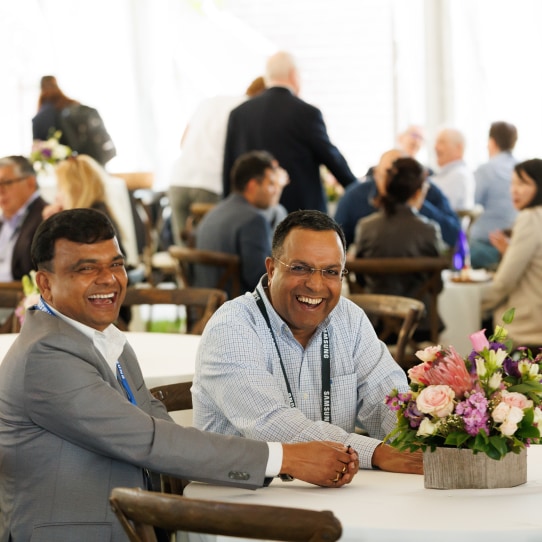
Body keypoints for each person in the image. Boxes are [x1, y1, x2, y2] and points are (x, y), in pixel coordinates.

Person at [0, 208, 359, 542]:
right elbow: (149, 439)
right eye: (86, 268)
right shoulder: (46, 355)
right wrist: (286, 458)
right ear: (45, 285)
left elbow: (161, 427)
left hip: (130, 526)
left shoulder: (106, 340)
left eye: (116, 263)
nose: (108, 279)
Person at [192, 209, 423, 475]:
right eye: (300, 268)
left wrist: (415, 436)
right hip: (239, 499)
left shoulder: (349, 319)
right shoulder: (233, 326)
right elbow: (270, 423)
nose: (315, 284)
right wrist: (378, 453)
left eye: (330, 271)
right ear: (271, 269)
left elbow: (388, 399)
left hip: (336, 491)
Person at [223, 51, 357, 213]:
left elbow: (230, 166)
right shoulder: (307, 113)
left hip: (251, 209)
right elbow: (331, 157)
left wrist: (227, 207)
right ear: (294, 75)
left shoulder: (239, 113)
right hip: (300, 213)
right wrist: (357, 190)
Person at [168, 76, 266, 246]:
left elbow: (183, 141)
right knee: (210, 250)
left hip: (178, 180)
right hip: (210, 184)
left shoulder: (209, 102)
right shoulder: (247, 112)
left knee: (184, 253)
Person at [353, 157, 444, 340]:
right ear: (418, 192)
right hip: (419, 325)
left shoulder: (365, 227)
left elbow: (359, 280)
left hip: (374, 325)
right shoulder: (428, 230)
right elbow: (437, 286)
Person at [195, 150, 286, 297]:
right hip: (237, 312)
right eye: (270, 184)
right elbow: (261, 279)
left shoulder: (212, 214)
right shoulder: (254, 220)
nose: (275, 190)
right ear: (252, 186)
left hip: (205, 306)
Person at [334, 149, 460, 248]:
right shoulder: (354, 197)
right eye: (388, 175)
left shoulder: (426, 191)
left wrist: (418, 203)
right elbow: (337, 242)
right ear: (376, 174)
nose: (396, 183)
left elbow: (455, 236)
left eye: (403, 177)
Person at [481, 159, 542, 349]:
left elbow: (505, 282)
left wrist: (476, 307)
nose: (515, 190)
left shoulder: (530, 217)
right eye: (513, 183)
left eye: (523, 183)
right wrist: (509, 252)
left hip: (528, 328)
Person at [32, 75, 116, 166]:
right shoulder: (74, 106)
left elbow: (39, 148)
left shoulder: (41, 118)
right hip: (93, 161)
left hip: (66, 168)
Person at [470, 121, 518, 269]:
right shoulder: (521, 169)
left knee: (458, 250)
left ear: (491, 142)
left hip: (486, 244)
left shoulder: (486, 169)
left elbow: (472, 203)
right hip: (515, 242)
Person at [0, 155, 47, 281]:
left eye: (6, 183)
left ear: (30, 183)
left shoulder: (46, 218)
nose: (1, 191)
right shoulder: (4, 220)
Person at [432, 127, 475, 211]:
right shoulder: (446, 174)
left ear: (459, 148)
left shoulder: (459, 175)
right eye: (436, 142)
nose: (436, 147)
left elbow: (442, 210)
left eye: (442, 142)